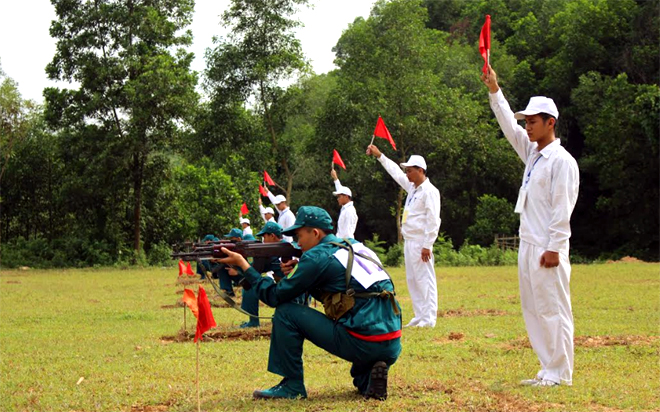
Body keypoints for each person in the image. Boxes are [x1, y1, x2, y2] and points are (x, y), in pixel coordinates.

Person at [218, 206, 402, 400]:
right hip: (391, 339)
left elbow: (274, 296)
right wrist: (301, 268)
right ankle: (370, 376)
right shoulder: (355, 245)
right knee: (361, 377)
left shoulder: (316, 257)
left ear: (315, 233)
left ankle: (292, 385)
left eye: (299, 236)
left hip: (362, 339)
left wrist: (244, 265)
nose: (298, 243)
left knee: (286, 312)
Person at [482, 65, 579, 387]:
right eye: (527, 122)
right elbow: (509, 126)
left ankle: (560, 373)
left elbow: (562, 209)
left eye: (533, 122)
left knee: (553, 310)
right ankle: (546, 368)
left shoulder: (561, 161)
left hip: (547, 247)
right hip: (528, 242)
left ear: (551, 123)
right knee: (534, 310)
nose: (527, 127)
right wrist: (495, 90)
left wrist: (554, 247)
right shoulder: (534, 156)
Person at [366, 145, 441, 328]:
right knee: (413, 279)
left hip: (421, 242)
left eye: (410, 171)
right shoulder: (412, 188)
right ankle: (419, 315)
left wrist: (427, 245)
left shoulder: (430, 191)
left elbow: (433, 220)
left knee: (425, 279)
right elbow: (395, 173)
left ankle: (429, 318)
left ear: (420, 170)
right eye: (406, 171)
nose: (406, 174)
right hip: (409, 241)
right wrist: (380, 156)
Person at [330, 169, 358, 239]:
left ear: (346, 197)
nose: (337, 198)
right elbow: (340, 189)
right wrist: (335, 178)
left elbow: (347, 233)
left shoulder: (349, 211)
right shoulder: (346, 208)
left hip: (345, 244)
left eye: (339, 196)